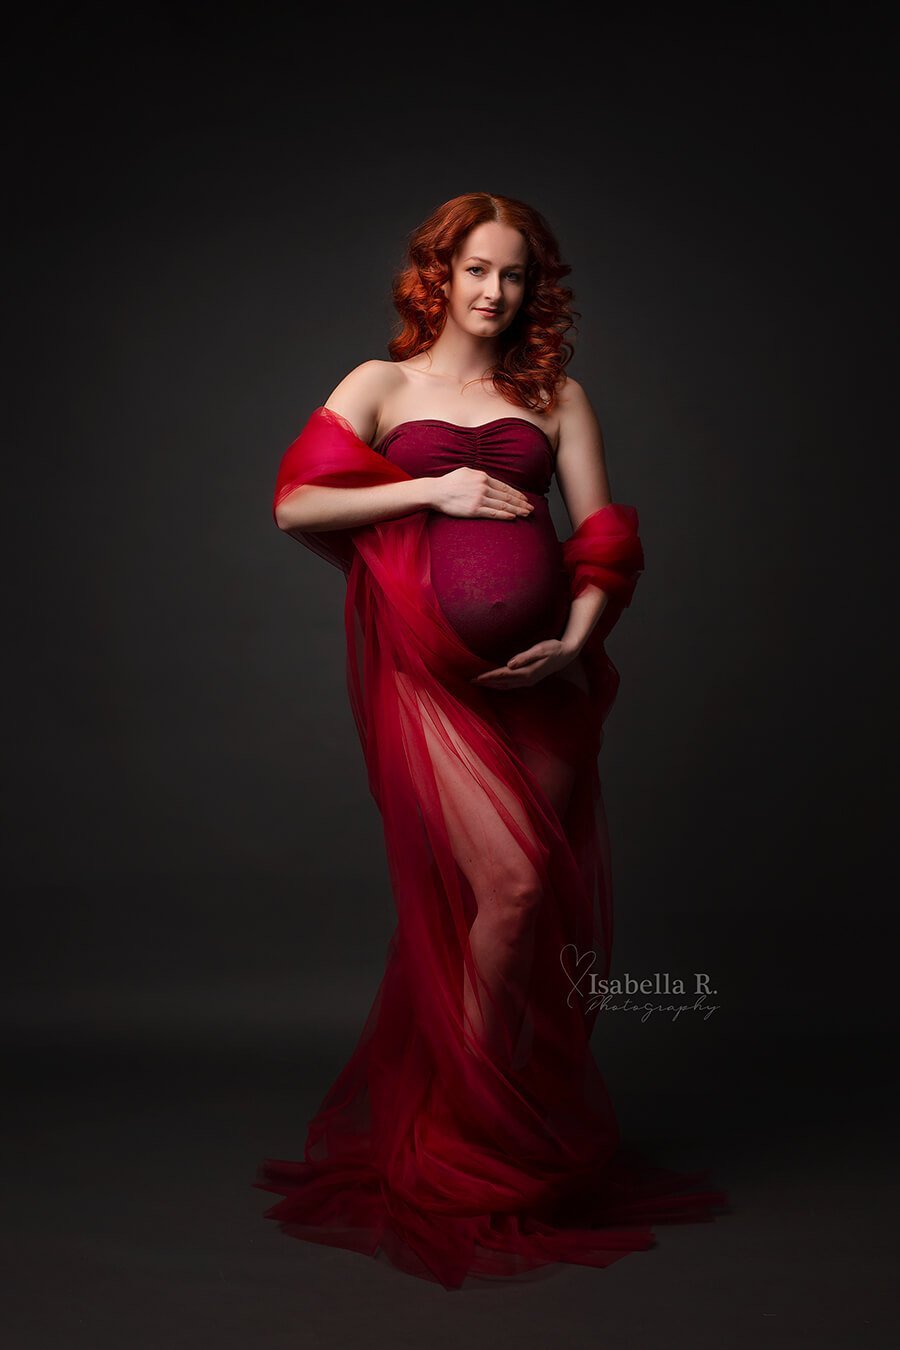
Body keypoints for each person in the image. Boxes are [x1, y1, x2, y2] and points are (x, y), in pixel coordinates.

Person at [253, 192, 727, 1289]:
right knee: (507, 889)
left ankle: (489, 1123)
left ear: (532, 289)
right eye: (475, 268)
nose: (493, 291)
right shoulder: (381, 385)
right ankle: (461, 1139)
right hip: (433, 684)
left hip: (542, 690)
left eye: (513, 275)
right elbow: (294, 507)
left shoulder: (557, 397)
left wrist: (573, 640)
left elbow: (606, 541)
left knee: (516, 914)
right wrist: (437, 487)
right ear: (439, 272)